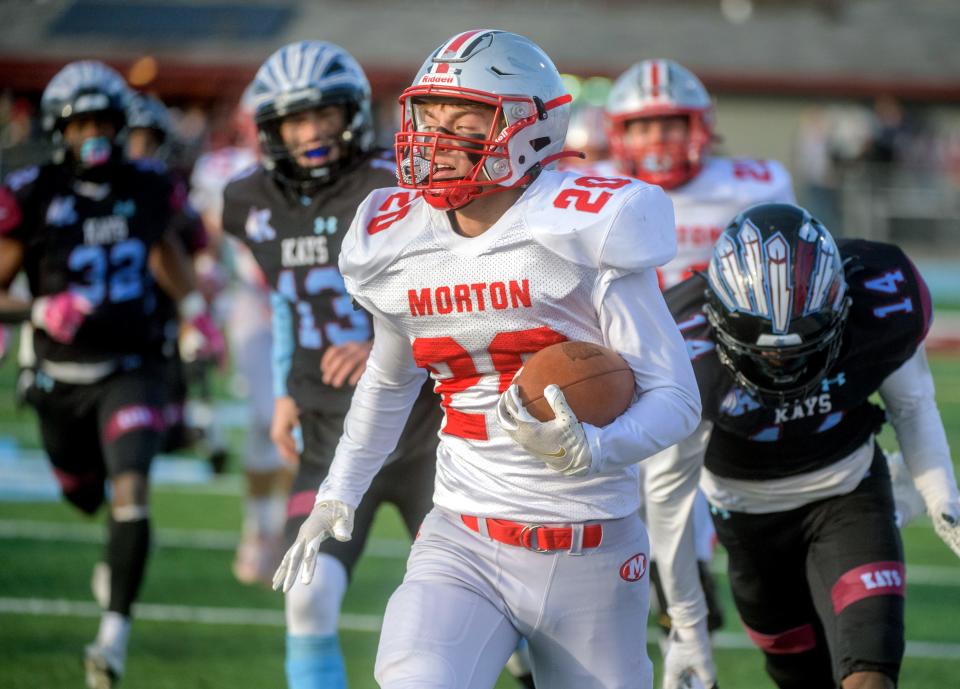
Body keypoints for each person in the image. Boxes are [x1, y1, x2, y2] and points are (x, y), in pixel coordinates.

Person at [273, 29, 701, 689]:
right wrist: (338, 490)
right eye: (427, 118)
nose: (434, 139)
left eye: (463, 119)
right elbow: (388, 382)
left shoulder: (583, 226)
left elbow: (677, 397)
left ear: (528, 126)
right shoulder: (396, 236)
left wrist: (597, 445)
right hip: (462, 538)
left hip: (590, 544)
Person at [663, 202, 960, 689]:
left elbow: (913, 404)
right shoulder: (679, 348)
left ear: (841, 306)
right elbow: (669, 496)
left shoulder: (881, 301)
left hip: (848, 493)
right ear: (716, 321)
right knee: (802, 679)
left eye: (803, 342)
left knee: (870, 676)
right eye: (760, 349)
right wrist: (685, 626)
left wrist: (942, 495)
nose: (780, 366)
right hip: (748, 521)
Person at [221, 41, 442, 689]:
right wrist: (290, 382)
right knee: (306, 595)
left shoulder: (396, 182)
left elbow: (455, 286)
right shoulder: (250, 201)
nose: (311, 132)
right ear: (272, 129)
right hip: (328, 431)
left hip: (428, 426)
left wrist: (388, 340)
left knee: (488, 607)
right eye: (295, 120)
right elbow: (289, 294)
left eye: (322, 115)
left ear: (350, 113)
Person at [0, 61, 219, 689]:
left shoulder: (149, 184)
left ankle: (112, 638)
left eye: (103, 123)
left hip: (133, 367)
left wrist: (194, 312)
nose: (93, 135)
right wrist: (40, 307)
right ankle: (115, 558)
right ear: (58, 131)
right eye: (80, 124)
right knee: (83, 496)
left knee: (131, 490)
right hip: (60, 376)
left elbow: (165, 251)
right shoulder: (35, 192)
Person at [599, 59, 798, 688]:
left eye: (670, 123)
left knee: (702, 492)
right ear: (616, 132)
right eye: (644, 125)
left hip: (726, 370)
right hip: (621, 368)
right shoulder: (592, 189)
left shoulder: (752, 183)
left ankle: (689, 588)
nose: (657, 139)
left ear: (702, 126)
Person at [189, 87, 292, 585]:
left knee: (296, 423)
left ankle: (279, 525)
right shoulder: (222, 170)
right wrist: (199, 300)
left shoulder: (311, 167)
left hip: (305, 304)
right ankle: (261, 525)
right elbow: (206, 240)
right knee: (265, 416)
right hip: (251, 300)